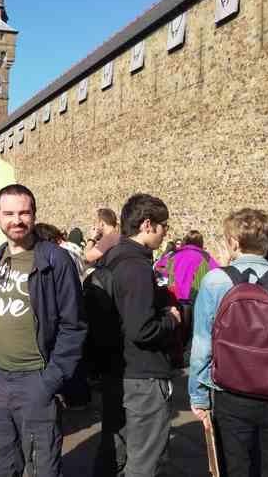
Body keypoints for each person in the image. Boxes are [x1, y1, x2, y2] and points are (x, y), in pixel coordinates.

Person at [0, 184, 86, 477]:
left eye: (24, 212)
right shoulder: (1, 254)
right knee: (0, 466)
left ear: (34, 215)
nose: (17, 220)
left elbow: (73, 327)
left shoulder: (55, 260)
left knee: (42, 467)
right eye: (9, 213)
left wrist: (50, 381)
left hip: (35, 379)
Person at [189, 208, 268, 477]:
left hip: (231, 395)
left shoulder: (215, 281)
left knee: (235, 469)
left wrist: (199, 396)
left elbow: (202, 344)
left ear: (233, 242)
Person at [93, 193, 180, 477]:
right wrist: (171, 319)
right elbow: (141, 329)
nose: (166, 231)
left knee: (114, 455)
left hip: (117, 370)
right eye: (163, 225)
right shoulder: (136, 266)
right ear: (147, 224)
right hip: (142, 374)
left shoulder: (114, 259)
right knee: (144, 463)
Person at [153, 229, 219, 367]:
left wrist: (171, 279)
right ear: (201, 243)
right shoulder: (205, 257)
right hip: (194, 298)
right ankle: (187, 360)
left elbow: (158, 267)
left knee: (176, 332)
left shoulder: (173, 255)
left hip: (174, 297)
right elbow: (217, 272)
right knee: (192, 334)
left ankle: (174, 360)